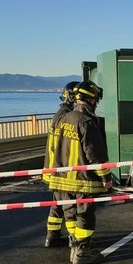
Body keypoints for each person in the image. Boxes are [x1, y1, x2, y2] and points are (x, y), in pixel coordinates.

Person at [46, 80, 113, 264]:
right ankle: (83, 253)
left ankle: (74, 247)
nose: (96, 103)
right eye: (95, 100)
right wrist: (106, 178)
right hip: (82, 181)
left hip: (61, 179)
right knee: (85, 216)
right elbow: (95, 156)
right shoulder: (86, 122)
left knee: (70, 215)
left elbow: (54, 148)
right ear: (90, 100)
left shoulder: (61, 119)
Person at [42, 81, 79, 248]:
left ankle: (52, 235)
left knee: (57, 204)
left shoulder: (59, 114)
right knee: (69, 205)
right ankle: (74, 238)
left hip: (52, 168)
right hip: (61, 170)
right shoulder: (67, 117)